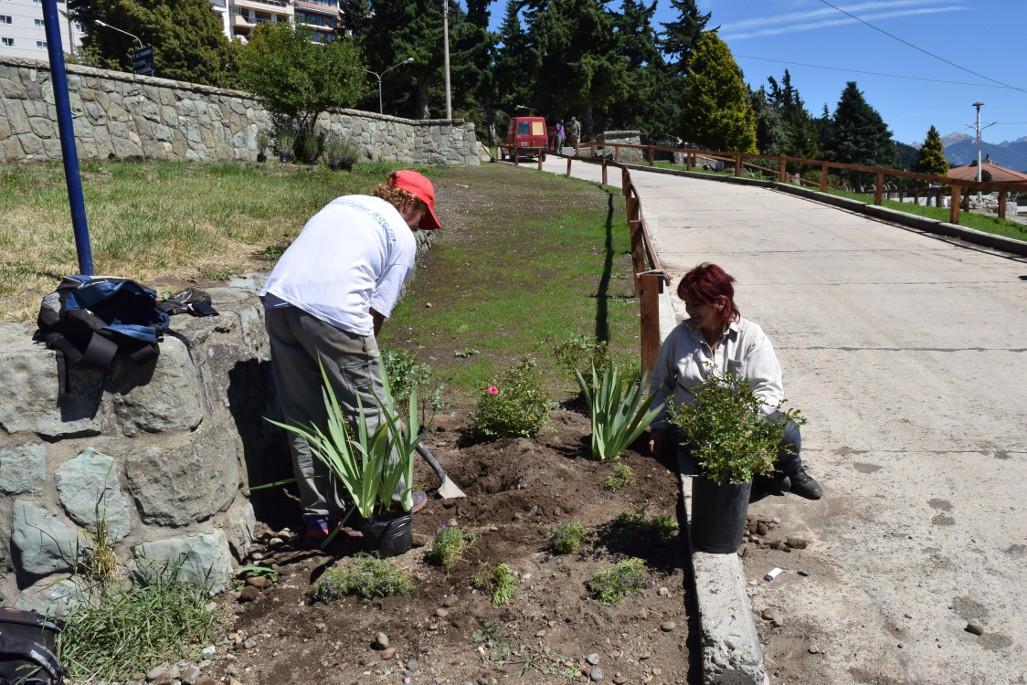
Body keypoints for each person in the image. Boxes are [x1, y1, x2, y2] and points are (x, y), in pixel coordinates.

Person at [261, 170, 444, 546]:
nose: (420, 226)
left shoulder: (342, 203)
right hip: (337, 312)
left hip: (280, 303)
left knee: (303, 416)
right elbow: (374, 315)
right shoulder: (402, 237)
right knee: (375, 416)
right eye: (422, 216)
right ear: (408, 202)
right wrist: (362, 367)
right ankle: (394, 509)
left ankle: (318, 517)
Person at [647, 263, 823, 500]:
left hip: (742, 428)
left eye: (695, 304)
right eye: (686, 303)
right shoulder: (680, 337)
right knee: (713, 471)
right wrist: (658, 427)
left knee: (786, 429)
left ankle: (790, 469)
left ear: (719, 303)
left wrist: (741, 422)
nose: (688, 310)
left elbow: (768, 388)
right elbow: (661, 384)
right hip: (694, 433)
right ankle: (764, 477)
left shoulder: (751, 337)